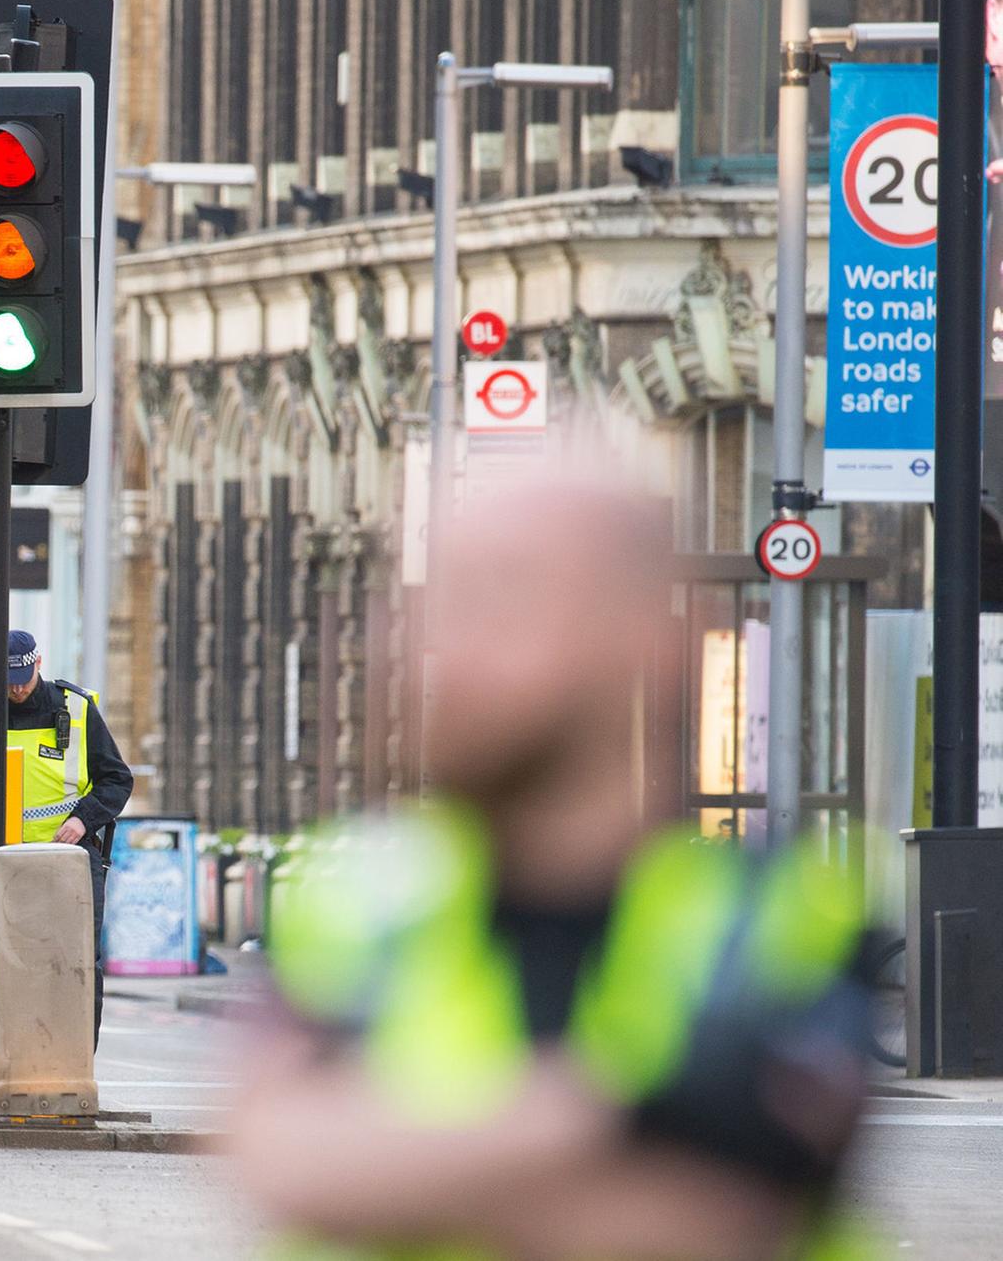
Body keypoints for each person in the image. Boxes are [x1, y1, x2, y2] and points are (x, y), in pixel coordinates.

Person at [230, 482, 872, 1259]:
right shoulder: (363, 894)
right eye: (437, 606)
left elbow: (720, 1220)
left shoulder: (784, 912)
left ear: (646, 638)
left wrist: (402, 1163)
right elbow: (285, 1161)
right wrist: (628, 1106)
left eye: (502, 599)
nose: (448, 651)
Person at [0, 629, 132, 1061]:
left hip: (68, 861)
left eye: (22, 677)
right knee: (2, 967)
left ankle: (73, 1063)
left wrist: (82, 820)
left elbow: (117, 779)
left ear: (38, 663)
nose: (16, 688)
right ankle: (8, 1060)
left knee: (74, 967)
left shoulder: (75, 710)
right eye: (7, 680)